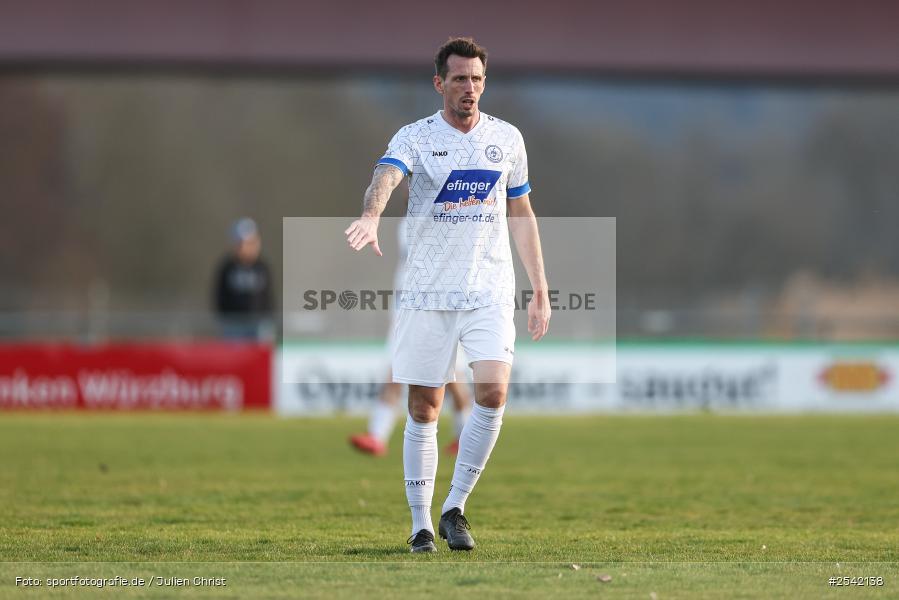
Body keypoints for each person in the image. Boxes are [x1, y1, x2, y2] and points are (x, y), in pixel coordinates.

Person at [344, 37, 550, 553]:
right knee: (424, 408)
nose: (470, 88)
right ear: (440, 83)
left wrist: (540, 289)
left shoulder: (507, 139)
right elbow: (386, 176)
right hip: (427, 293)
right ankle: (419, 525)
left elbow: (521, 214)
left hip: (489, 289)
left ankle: (455, 506)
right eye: (460, 78)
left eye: (477, 79)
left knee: (493, 393)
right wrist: (371, 215)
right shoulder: (416, 136)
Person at [350, 220, 472, 457]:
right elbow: (405, 272)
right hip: (406, 311)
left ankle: (465, 436)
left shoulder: (451, 219)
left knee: (453, 379)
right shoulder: (405, 223)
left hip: (442, 309)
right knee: (394, 371)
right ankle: (376, 436)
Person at [213, 217, 275, 340]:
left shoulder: (262, 267)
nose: (245, 247)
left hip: (259, 325)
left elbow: (269, 298)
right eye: (241, 243)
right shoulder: (227, 268)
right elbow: (220, 296)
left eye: (249, 243)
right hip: (233, 325)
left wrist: (267, 320)